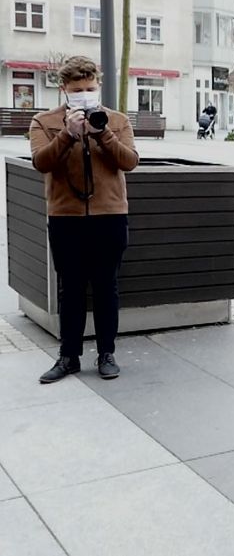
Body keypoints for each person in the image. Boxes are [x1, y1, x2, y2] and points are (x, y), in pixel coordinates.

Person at [29, 56, 139, 384]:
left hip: (109, 215)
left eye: (90, 89)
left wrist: (102, 133)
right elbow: (41, 162)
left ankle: (107, 353)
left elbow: (129, 161)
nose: (84, 95)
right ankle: (68, 357)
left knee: (107, 287)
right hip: (66, 217)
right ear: (63, 89)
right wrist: (67, 134)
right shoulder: (44, 122)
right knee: (71, 289)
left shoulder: (116, 120)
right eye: (77, 91)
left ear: (99, 86)